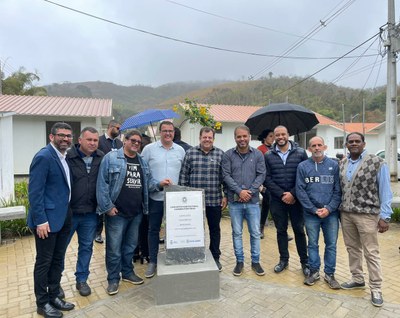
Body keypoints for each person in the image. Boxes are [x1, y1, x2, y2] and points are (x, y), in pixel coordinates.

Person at [96, 129, 158, 295]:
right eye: (133, 141)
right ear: (125, 140)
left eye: (139, 142)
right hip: (116, 213)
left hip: (136, 212)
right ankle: (113, 278)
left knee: (130, 246)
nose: (136, 143)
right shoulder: (111, 158)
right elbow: (102, 185)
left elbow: (149, 183)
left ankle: (128, 272)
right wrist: (108, 207)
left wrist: (161, 184)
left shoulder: (142, 161)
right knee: (114, 248)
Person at [338, 132, 393, 307]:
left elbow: (385, 191)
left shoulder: (377, 163)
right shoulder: (343, 163)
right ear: (346, 145)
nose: (354, 144)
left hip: (367, 215)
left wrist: (385, 216)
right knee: (352, 248)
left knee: (371, 252)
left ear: (363, 143)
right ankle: (357, 278)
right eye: (350, 141)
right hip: (346, 214)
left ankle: (376, 288)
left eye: (357, 141)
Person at [27, 122, 75, 318]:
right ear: (51, 137)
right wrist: (40, 220)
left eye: (68, 136)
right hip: (46, 222)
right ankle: (42, 303)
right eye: (61, 135)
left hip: (63, 218)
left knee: (57, 259)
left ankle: (54, 295)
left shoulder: (64, 157)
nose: (65, 139)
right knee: (44, 262)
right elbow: (35, 192)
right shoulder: (44, 157)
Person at [179, 127, 227, 271]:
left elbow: (224, 177)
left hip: (214, 200)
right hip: (194, 202)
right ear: (200, 138)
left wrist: (226, 196)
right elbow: (183, 177)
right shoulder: (190, 153)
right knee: (194, 230)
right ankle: (194, 255)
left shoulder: (220, 154)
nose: (207, 140)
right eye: (204, 137)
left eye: (210, 137)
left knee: (214, 229)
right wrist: (184, 196)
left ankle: (215, 256)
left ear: (213, 138)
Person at [141, 121, 186, 279]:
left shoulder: (180, 151)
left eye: (170, 131)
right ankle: (153, 261)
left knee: (174, 230)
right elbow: (143, 172)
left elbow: (184, 174)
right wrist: (157, 184)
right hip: (155, 197)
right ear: (160, 132)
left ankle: (172, 257)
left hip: (175, 199)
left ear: (174, 133)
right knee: (153, 229)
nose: (168, 133)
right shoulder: (148, 150)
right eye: (165, 131)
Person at [296, 136, 341, 289]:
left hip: (331, 214)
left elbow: (338, 191)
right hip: (311, 214)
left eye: (319, 145)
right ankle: (314, 272)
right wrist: (314, 209)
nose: (316, 148)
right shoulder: (302, 166)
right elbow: (300, 191)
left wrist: (328, 209)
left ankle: (329, 274)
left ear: (325, 147)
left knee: (331, 245)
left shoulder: (334, 166)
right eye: (313, 146)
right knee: (313, 244)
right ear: (309, 149)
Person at [264, 125, 309, 276]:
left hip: (297, 200)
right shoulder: (268, 155)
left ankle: (305, 262)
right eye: (277, 135)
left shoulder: (301, 153)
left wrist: (292, 194)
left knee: (299, 230)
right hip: (277, 200)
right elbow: (267, 178)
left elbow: (305, 176)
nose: (280, 137)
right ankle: (284, 260)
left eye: (283, 134)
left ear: (288, 134)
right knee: (281, 230)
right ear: (274, 137)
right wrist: (282, 194)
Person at [222, 125, 266, 277]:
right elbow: (226, 176)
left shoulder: (258, 155)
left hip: (253, 201)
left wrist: (250, 191)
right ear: (235, 138)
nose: (242, 139)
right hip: (235, 202)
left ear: (249, 137)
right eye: (239, 136)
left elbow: (261, 175)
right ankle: (239, 261)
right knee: (237, 233)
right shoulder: (228, 155)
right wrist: (239, 191)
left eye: (244, 136)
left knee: (254, 233)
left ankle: (255, 262)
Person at [65, 127, 104, 296]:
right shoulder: (67, 157)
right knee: (61, 248)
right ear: (80, 140)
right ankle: (54, 283)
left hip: (90, 213)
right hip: (69, 213)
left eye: (95, 140)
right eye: (89, 140)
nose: (92, 143)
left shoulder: (101, 158)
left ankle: (81, 280)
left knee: (86, 247)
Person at [96, 120, 123, 244]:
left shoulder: (119, 143)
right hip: (101, 177)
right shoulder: (99, 141)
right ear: (110, 127)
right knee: (101, 205)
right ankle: (98, 233)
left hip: (116, 180)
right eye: (118, 128)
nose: (119, 131)